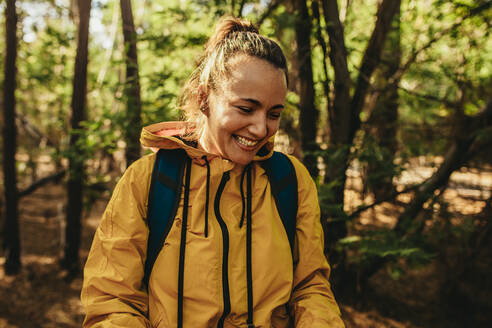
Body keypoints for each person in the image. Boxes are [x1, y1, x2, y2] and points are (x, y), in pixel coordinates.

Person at [81, 16, 344, 328]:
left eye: (274, 114)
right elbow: (113, 301)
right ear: (204, 98)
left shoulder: (290, 181)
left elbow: (310, 288)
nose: (261, 129)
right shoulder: (147, 182)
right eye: (246, 109)